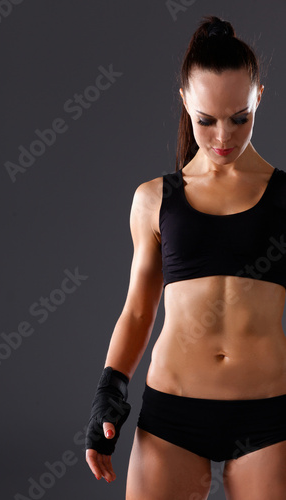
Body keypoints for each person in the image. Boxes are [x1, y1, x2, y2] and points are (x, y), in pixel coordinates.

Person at [85, 15, 286, 499]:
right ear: (184, 103)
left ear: (259, 95)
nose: (223, 137)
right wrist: (109, 391)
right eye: (206, 120)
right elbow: (138, 309)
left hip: (266, 416)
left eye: (240, 116)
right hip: (172, 415)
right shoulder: (154, 199)